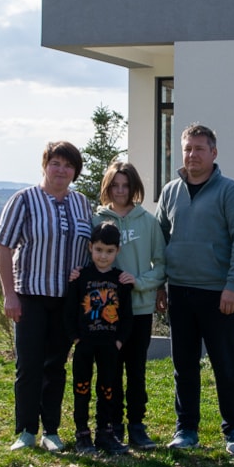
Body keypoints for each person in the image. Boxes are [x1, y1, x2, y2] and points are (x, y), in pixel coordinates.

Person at [155, 123, 234, 456]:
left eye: (199, 148)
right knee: (184, 365)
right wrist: (159, 285)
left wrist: (233, 285)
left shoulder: (231, 192)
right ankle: (186, 429)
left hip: (218, 295)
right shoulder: (170, 191)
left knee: (225, 364)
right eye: (187, 149)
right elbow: (160, 241)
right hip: (179, 292)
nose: (192, 155)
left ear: (213, 152)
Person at [0, 141, 94, 452]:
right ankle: (25, 430)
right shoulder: (23, 200)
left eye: (68, 165)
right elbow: (3, 246)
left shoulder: (81, 204)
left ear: (75, 171)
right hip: (30, 296)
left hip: (66, 301)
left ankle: (51, 430)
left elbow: (91, 250)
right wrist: (9, 295)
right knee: (29, 366)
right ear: (44, 166)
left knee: (55, 366)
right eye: (56, 163)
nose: (61, 170)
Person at [93, 161, 166, 450]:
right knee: (109, 371)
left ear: (134, 187)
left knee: (136, 370)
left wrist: (139, 282)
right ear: (107, 187)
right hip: (106, 312)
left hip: (139, 309)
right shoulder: (96, 220)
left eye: (125, 185)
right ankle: (112, 426)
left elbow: (161, 265)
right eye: (115, 185)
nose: (120, 191)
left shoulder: (147, 222)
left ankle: (137, 425)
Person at [65, 221, 134, 455]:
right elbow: (69, 310)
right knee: (81, 388)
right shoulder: (80, 277)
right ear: (90, 247)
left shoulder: (120, 280)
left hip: (109, 345)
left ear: (117, 251)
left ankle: (104, 433)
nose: (103, 256)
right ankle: (82, 434)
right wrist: (76, 338)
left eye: (109, 251)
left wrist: (119, 341)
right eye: (99, 250)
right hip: (84, 344)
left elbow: (126, 314)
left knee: (108, 389)